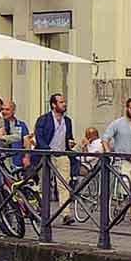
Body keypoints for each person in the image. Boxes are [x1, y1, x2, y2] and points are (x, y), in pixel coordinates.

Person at [33, 91, 78, 224]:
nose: (64, 104)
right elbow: (39, 137)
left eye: (64, 102)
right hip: (47, 156)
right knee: (44, 184)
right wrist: (47, 151)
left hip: (62, 154)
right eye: (61, 102)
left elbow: (69, 137)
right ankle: (42, 210)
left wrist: (70, 142)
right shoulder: (44, 119)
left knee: (64, 184)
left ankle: (66, 214)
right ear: (53, 105)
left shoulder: (68, 121)